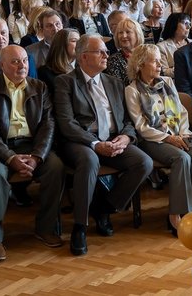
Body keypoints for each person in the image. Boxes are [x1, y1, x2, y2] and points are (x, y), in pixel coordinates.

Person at [52, 34, 152, 256]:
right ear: (84, 57)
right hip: (81, 142)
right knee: (89, 160)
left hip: (114, 139)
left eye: (106, 51)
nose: (107, 54)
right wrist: (96, 143)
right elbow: (67, 124)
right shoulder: (65, 82)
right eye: (101, 52)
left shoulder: (114, 83)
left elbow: (127, 120)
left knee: (143, 162)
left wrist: (126, 138)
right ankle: (80, 226)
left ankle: (104, 208)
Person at [0, 45, 65, 260]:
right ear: (0, 65)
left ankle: (46, 228)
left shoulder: (39, 87)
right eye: (14, 61)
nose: (21, 65)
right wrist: (9, 157)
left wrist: (37, 156)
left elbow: (48, 125)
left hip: (32, 147)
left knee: (55, 166)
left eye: (24, 60)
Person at [124, 44, 192, 233]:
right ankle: (175, 215)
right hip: (152, 139)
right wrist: (169, 139)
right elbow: (141, 126)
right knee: (181, 158)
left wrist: (184, 134)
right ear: (140, 64)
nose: (159, 64)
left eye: (160, 60)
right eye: (154, 61)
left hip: (178, 133)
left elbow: (182, 113)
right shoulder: (132, 90)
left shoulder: (168, 82)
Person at [104, 16, 144, 85]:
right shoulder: (113, 60)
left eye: (128, 32)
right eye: (120, 33)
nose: (124, 36)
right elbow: (118, 88)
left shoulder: (147, 54)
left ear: (137, 34)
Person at [156, 13, 191, 77]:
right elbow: (165, 72)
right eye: (185, 23)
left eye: (189, 24)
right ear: (174, 25)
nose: (188, 27)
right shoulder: (161, 47)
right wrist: (189, 68)